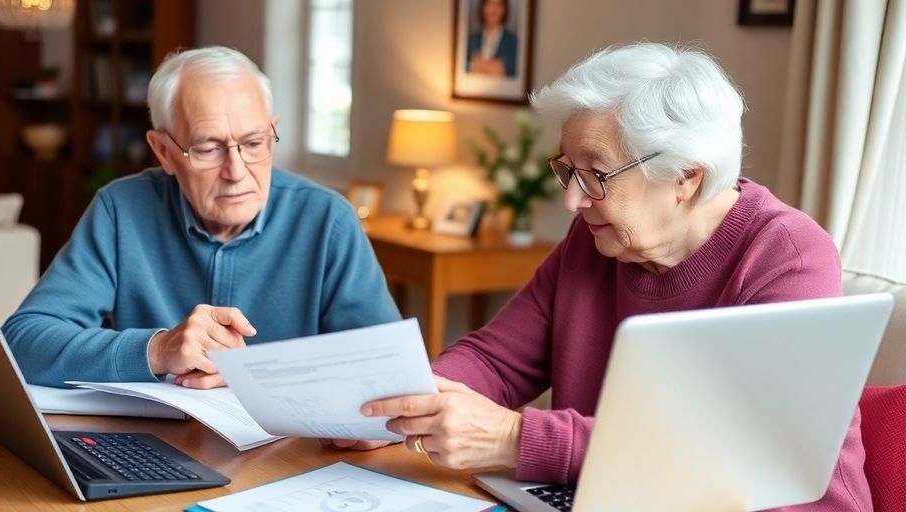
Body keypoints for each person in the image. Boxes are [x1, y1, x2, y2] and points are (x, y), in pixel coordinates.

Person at [332, 43, 870, 511]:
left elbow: (735, 454)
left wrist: (516, 440)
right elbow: (495, 359)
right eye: (567, 170)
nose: (572, 200)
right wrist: (403, 409)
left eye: (594, 175)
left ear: (685, 175)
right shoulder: (595, 243)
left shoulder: (787, 255)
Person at [3, 46, 400, 390]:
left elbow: (389, 370)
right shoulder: (121, 209)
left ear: (272, 132)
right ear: (163, 152)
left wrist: (256, 376)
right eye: (209, 149)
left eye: (254, 143)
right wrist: (157, 349)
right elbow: (23, 341)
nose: (237, 170)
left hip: (286, 459)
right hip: (151, 453)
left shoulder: (328, 222)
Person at [465, 0, 518, 77]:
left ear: (504, 9)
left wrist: (481, 67)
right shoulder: (472, 41)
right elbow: (465, 69)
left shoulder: (513, 42)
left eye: (498, 5)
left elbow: (511, 72)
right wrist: (492, 67)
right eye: (489, 4)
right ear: (483, 7)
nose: (494, 10)